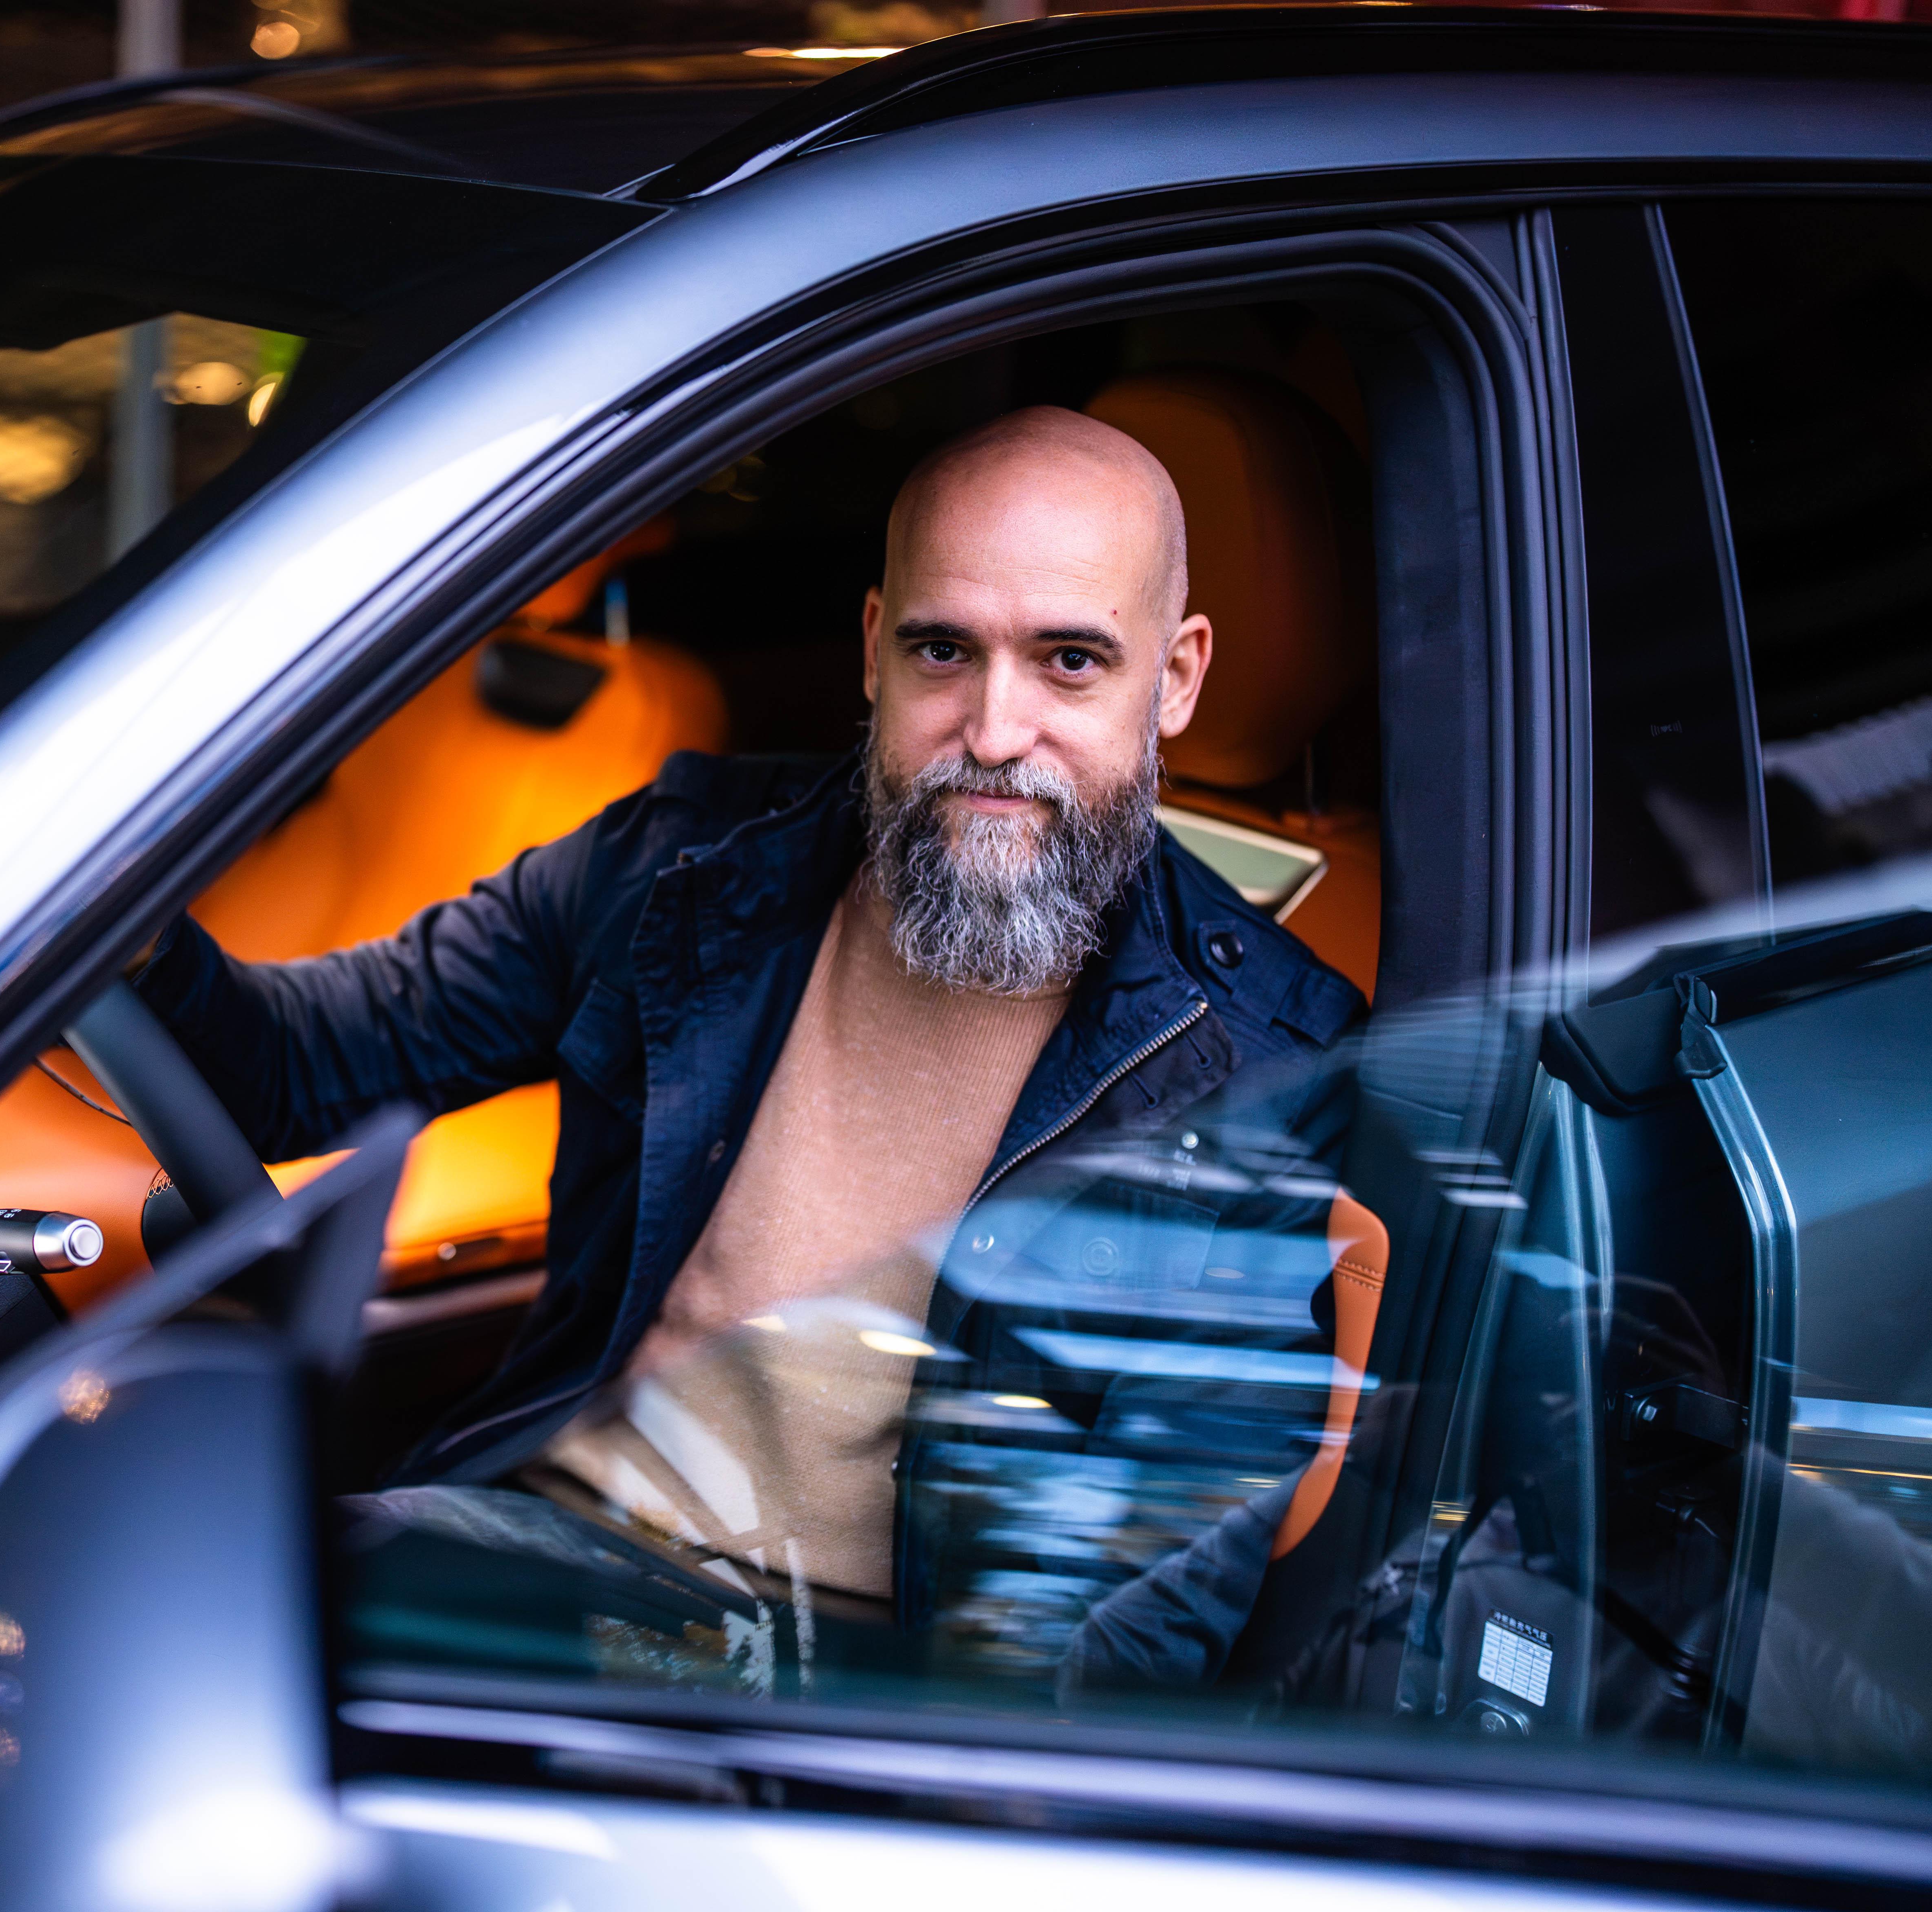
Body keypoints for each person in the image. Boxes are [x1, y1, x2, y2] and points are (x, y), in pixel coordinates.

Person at [133, 405, 1368, 1610]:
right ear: (875, 649)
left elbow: (1124, 1622)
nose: (997, 733)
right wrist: (122, 919)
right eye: (944, 652)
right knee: (150, 1581)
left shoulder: (1271, 1064)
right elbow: (292, 1068)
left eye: (1071, 662)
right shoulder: (684, 863)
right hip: (536, 1552)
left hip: (835, 1702)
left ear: (1176, 677)